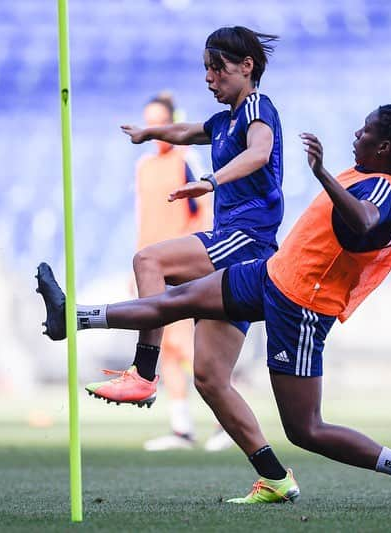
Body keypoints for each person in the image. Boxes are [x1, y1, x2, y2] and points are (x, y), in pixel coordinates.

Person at [60, 94, 391, 507]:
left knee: (307, 430)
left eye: (367, 130)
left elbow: (363, 220)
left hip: (301, 305)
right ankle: (74, 317)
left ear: (384, 147)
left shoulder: (381, 190)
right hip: (272, 274)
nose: (357, 133)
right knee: (178, 300)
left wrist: (320, 172)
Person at [38, 26, 289, 474]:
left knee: (148, 260)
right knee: (210, 380)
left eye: (218, 68)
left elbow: (258, 152)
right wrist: (149, 131)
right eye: (205, 70)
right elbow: (188, 130)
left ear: (247, 67)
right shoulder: (225, 118)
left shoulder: (256, 107)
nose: (209, 78)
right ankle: (275, 477)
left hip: (246, 240)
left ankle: (143, 373)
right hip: (243, 252)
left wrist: (211, 180)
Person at [131, 91, 228, 451]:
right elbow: (145, 220)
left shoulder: (185, 160)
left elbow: (202, 212)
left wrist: (199, 263)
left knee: (187, 347)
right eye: (149, 120)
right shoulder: (144, 167)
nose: (153, 128)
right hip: (153, 267)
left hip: (182, 266)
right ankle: (182, 427)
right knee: (166, 349)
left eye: (160, 120)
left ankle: (224, 422)